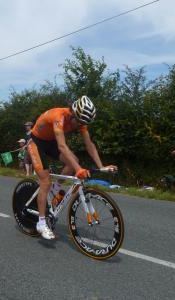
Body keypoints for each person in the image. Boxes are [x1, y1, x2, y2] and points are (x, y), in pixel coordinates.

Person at [27, 95, 115, 239]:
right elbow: (62, 146)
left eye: (83, 123)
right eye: (79, 122)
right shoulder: (59, 116)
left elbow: (89, 145)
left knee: (74, 160)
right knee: (45, 181)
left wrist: (102, 166)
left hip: (50, 142)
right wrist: (79, 169)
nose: (79, 125)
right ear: (73, 113)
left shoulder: (80, 121)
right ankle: (41, 223)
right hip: (36, 142)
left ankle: (55, 191)